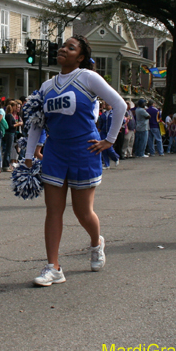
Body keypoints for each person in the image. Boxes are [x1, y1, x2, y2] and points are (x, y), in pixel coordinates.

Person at [24, 35, 126, 286]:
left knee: (82, 211)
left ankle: (96, 242)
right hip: (55, 151)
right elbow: (37, 121)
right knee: (53, 211)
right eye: (62, 46)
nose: (63, 49)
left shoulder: (87, 78)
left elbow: (119, 104)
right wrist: (28, 154)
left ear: (80, 57)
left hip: (85, 149)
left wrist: (109, 140)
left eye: (71, 47)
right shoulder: (47, 87)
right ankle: (53, 267)